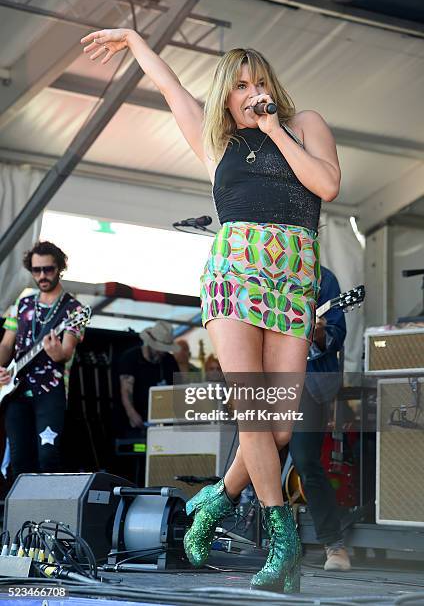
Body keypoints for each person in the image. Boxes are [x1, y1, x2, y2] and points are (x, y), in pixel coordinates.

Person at [82, 30, 340, 593]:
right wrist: (132, 39)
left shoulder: (305, 124)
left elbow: (328, 184)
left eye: (260, 81)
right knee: (253, 413)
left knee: (275, 431)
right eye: (241, 85)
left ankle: (218, 496)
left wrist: (274, 128)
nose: (253, 92)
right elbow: (168, 84)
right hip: (234, 275)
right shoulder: (215, 143)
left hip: (294, 275)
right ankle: (282, 542)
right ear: (225, 95)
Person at [0, 241, 85, 477]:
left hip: (51, 392)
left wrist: (56, 352)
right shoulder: (22, 303)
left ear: (59, 268)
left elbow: (66, 352)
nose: (42, 275)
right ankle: (22, 513)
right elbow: (7, 343)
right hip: (15, 392)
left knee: (48, 457)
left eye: (48, 269)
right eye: (36, 270)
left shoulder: (74, 310)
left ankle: (47, 512)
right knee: (19, 460)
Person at [290, 265, 350, 571]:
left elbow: (336, 336)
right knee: (258, 458)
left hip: (307, 385)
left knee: (305, 462)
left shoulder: (324, 279)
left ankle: (334, 546)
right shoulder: (259, 270)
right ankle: (282, 544)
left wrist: (318, 333)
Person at [119, 321, 179, 430]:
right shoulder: (131, 358)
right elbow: (126, 391)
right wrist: (132, 414)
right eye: (160, 349)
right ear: (150, 343)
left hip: (163, 421)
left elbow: (177, 389)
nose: (162, 353)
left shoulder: (169, 361)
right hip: (136, 421)